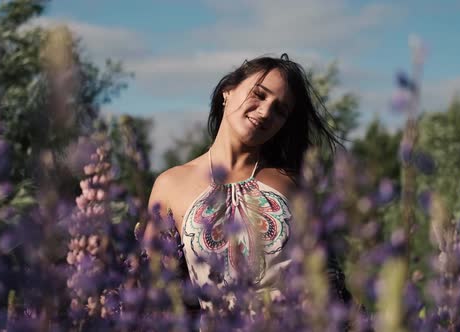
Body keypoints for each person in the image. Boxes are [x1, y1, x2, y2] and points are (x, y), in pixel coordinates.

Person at [142, 54, 348, 313]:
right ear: (228, 91)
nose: (265, 112)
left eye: (279, 110)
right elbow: (156, 291)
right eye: (259, 95)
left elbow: (329, 280)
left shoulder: (292, 183)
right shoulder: (170, 184)